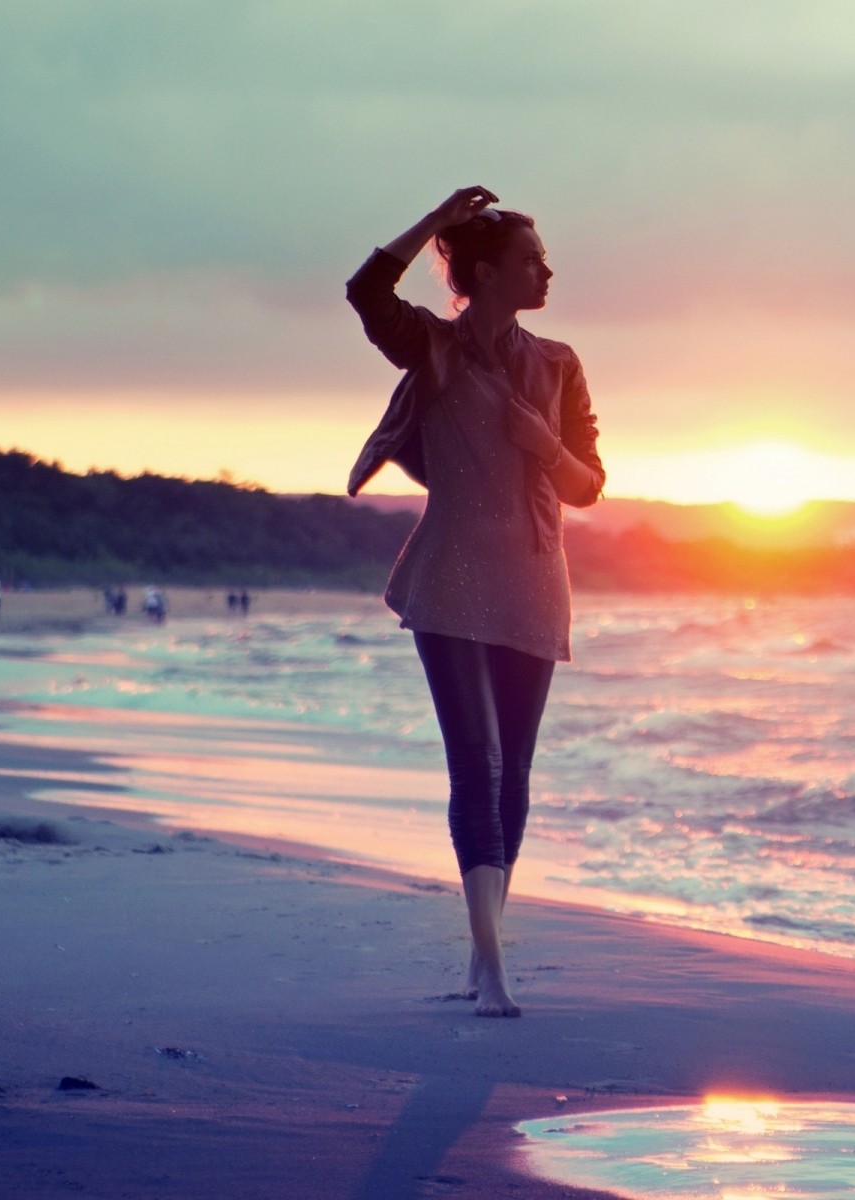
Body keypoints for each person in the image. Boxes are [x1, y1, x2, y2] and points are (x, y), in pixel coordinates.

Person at [346, 185, 605, 1018]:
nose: (547, 272)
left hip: (535, 579)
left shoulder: (559, 363)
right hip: (451, 578)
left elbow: (589, 487)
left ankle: (482, 944)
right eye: (532, 260)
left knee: (514, 773)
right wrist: (437, 221)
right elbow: (366, 291)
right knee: (478, 763)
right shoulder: (432, 346)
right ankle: (491, 967)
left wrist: (545, 444)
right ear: (487, 273)